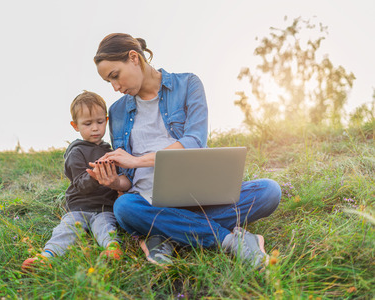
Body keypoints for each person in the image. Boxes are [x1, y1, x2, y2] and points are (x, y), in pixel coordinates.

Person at [89, 33, 281, 268]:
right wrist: (114, 183)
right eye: (109, 82)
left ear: (133, 58)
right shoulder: (117, 111)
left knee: (269, 191)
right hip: (148, 203)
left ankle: (166, 234)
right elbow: (128, 179)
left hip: (199, 196)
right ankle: (231, 240)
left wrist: (137, 161)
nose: (116, 87)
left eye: (115, 76)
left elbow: (194, 141)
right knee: (124, 208)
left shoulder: (188, 84)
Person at [21, 91, 123, 271]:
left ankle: (112, 250)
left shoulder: (110, 150)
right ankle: (47, 256)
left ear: (106, 120)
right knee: (66, 229)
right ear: (75, 126)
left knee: (106, 226)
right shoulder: (76, 152)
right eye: (87, 123)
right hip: (79, 207)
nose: (95, 128)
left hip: (104, 207)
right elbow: (81, 184)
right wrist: (96, 175)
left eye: (100, 122)